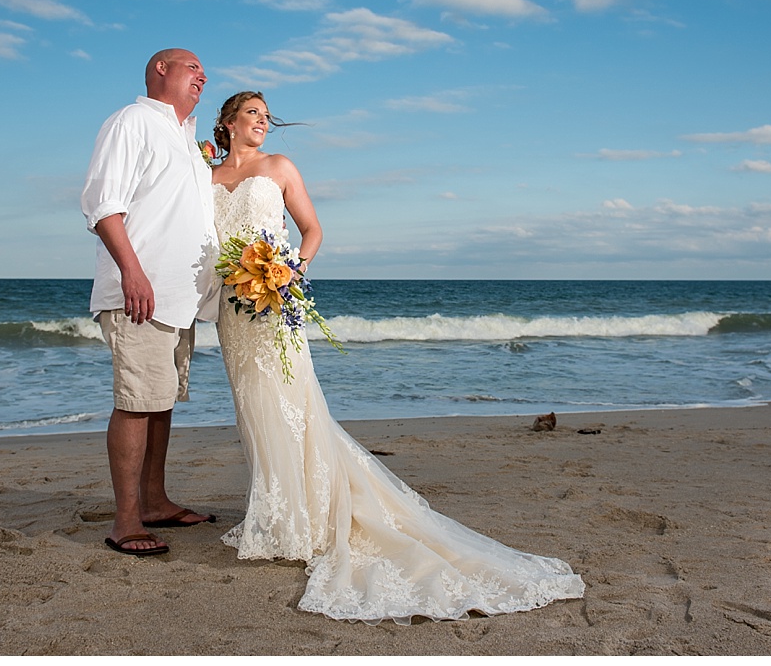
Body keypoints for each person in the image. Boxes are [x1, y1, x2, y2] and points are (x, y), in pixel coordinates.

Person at [210, 91, 585, 622]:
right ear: (227, 123)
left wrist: (290, 268)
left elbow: (313, 230)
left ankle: (303, 518)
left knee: (292, 403)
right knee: (252, 407)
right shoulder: (205, 178)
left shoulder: (280, 167)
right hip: (231, 309)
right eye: (252, 114)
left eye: (267, 117)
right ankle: (274, 514)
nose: (262, 123)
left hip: (272, 303)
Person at [81, 48, 220, 556]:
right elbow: (102, 205)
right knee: (136, 404)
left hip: (180, 299)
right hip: (141, 291)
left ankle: (155, 501)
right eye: (192, 67)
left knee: (159, 403)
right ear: (161, 70)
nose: (203, 75)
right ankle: (125, 521)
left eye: (204, 71)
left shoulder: (186, 138)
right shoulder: (132, 121)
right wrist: (132, 272)